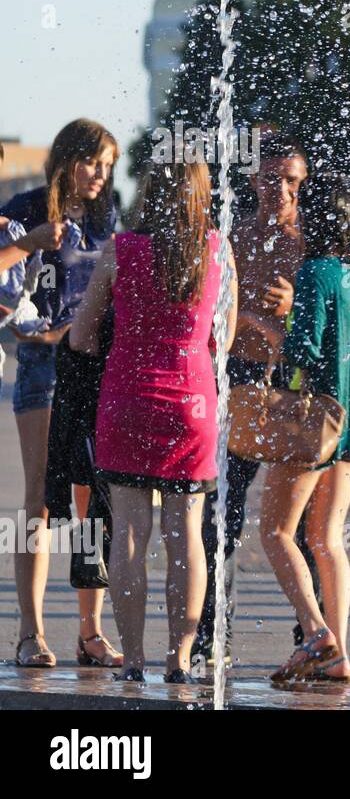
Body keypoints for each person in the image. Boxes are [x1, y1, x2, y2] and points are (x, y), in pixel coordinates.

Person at [71, 157, 236, 684]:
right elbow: (223, 341)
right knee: (186, 531)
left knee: (128, 532)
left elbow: (79, 335)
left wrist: (120, 352)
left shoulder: (122, 250)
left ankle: (134, 659)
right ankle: (180, 659)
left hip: (127, 399)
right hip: (191, 404)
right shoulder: (218, 249)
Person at [0, 119, 120, 669]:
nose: (100, 175)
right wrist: (26, 243)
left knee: (91, 501)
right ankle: (30, 632)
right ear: (67, 159)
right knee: (41, 504)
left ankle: (91, 632)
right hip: (43, 368)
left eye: (109, 165)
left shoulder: (104, 217)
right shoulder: (24, 209)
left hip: (93, 370)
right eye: (92, 162)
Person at [260, 173, 350, 683]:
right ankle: (339, 655)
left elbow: (303, 352)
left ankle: (316, 634)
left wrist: (275, 326)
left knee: (275, 532)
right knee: (328, 539)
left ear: (314, 217)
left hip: (318, 422)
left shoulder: (316, 273)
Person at [195, 132, 309, 668]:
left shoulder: (311, 242)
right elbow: (207, 312)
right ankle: (208, 637)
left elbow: (332, 319)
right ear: (253, 179)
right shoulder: (231, 237)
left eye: (291, 180)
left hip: (293, 381)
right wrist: (247, 319)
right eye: (272, 178)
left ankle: (308, 639)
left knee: (302, 524)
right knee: (223, 513)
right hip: (238, 381)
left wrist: (294, 305)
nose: (281, 189)